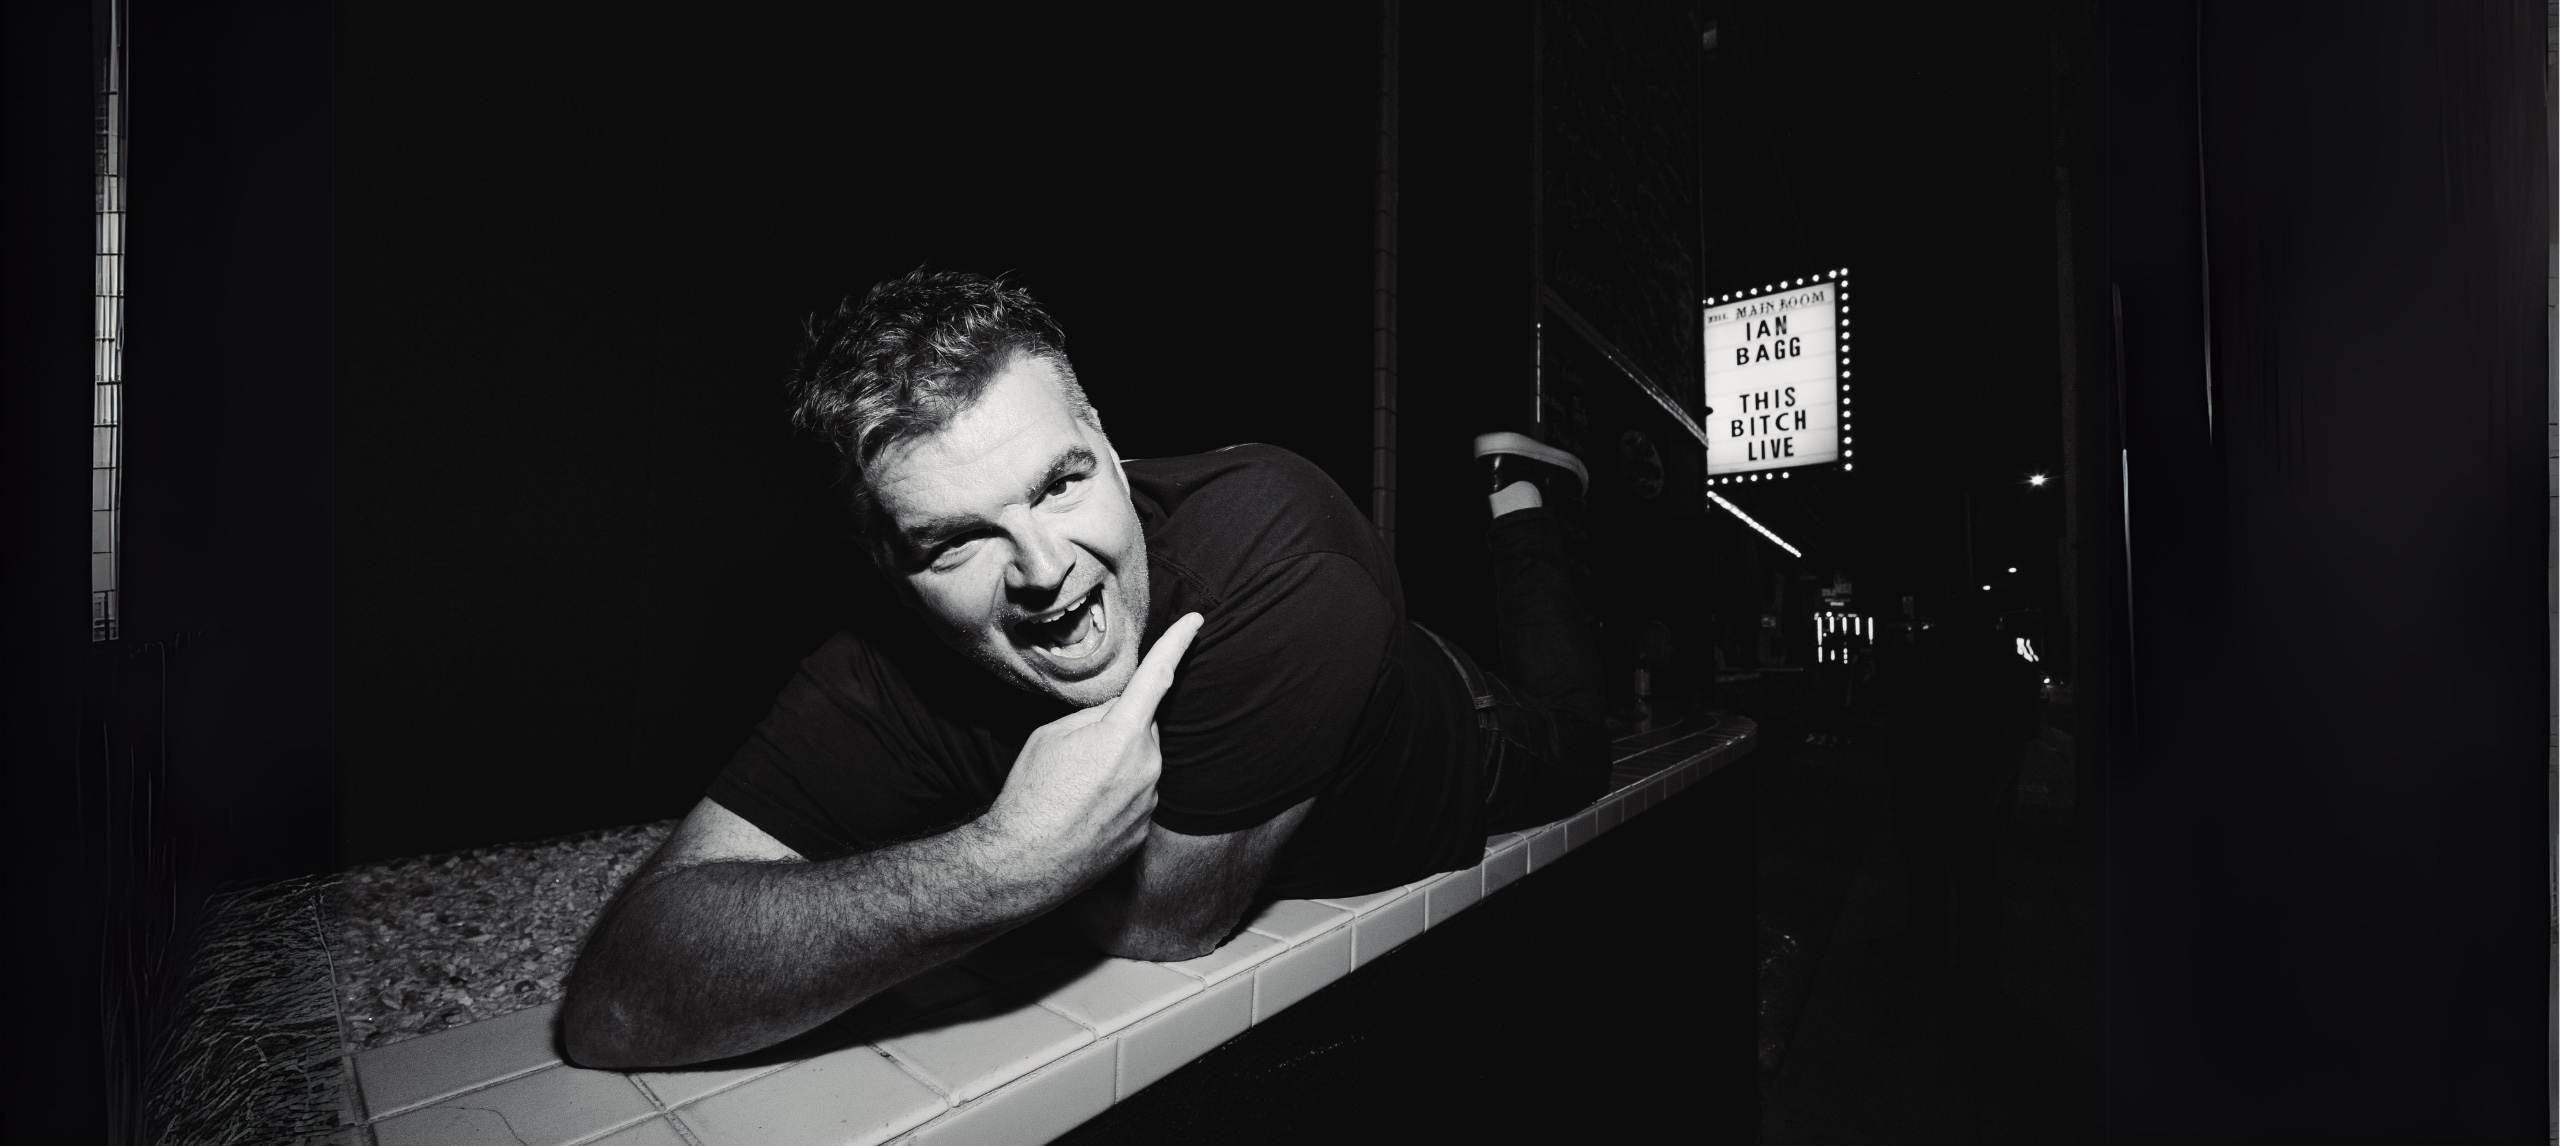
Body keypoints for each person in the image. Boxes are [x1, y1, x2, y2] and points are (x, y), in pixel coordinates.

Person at [560, 270, 1613, 1068]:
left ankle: (1520, 504)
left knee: (1583, 733)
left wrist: (980, 861)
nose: (1045, 570)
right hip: (1340, 660)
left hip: (1461, 729)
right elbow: (618, 997)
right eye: (955, 541)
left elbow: (1174, 917)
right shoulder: (877, 669)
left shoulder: (1279, 538)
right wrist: (992, 860)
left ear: (1106, 442)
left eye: (1059, 483)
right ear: (886, 562)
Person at [1871, 600, 2041, 998]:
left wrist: (1991, 791)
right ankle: (1943, 950)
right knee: (1943, 870)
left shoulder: (1991, 667)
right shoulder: (1966, 661)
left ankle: (1971, 967)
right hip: (1935, 783)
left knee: (1967, 876)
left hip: (1959, 786)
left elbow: (2015, 735)